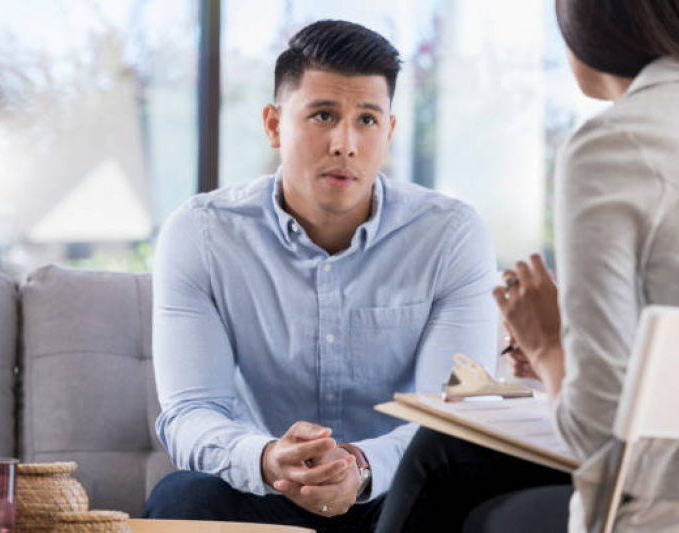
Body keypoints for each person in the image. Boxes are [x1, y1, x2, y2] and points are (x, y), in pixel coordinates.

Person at [143, 20, 499, 533]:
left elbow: (453, 421)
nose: (345, 143)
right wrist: (267, 458)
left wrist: (358, 463)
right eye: (323, 115)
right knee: (182, 498)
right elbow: (193, 411)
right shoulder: (201, 233)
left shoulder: (449, 235)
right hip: (268, 489)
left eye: (368, 120)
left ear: (390, 133)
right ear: (273, 125)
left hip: (401, 495)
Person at [376, 1, 679, 532]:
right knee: (446, 453)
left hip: (672, 509)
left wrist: (548, 344)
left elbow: (596, 433)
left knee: (461, 487)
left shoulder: (613, 147)